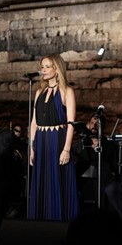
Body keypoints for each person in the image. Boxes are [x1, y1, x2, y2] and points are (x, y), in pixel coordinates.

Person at [27, 53, 79, 222]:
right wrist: (32, 148)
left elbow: (71, 123)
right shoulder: (39, 92)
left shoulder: (67, 91)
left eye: (48, 66)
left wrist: (67, 149)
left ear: (57, 69)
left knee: (58, 183)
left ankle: (59, 224)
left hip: (58, 141)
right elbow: (34, 123)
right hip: (41, 142)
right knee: (41, 183)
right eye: (42, 67)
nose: (44, 70)